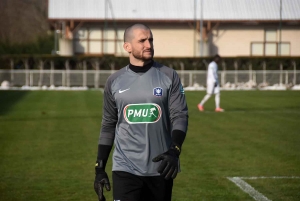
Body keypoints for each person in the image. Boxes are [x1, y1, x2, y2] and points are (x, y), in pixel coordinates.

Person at [94, 23, 189, 201]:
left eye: (151, 40)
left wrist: (174, 150)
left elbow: (180, 116)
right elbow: (108, 125)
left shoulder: (169, 76)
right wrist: (99, 168)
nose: (149, 45)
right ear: (127, 47)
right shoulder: (114, 81)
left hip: (161, 167)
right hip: (125, 169)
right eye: (142, 40)